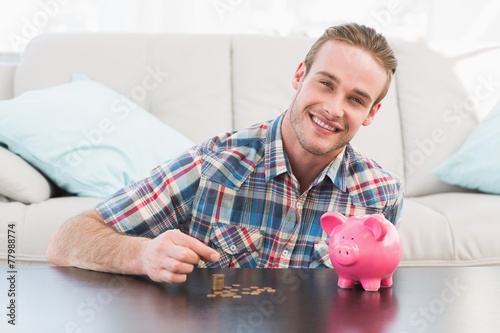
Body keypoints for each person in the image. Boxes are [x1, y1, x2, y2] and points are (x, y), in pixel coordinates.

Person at [47, 23, 403, 284]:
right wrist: (142, 255)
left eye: (356, 99)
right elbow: (67, 239)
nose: (333, 108)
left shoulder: (381, 197)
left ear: (371, 113)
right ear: (300, 75)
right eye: (326, 83)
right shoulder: (212, 165)